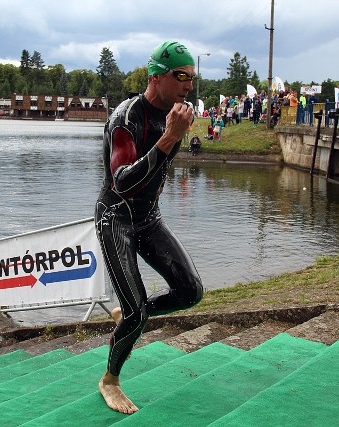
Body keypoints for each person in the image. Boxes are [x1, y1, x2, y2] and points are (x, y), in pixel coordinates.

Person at [94, 40, 203, 415]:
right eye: (182, 76)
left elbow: (159, 169)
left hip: (149, 218)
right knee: (137, 311)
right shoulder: (126, 117)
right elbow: (122, 181)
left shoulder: (175, 113)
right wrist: (170, 137)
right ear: (156, 76)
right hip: (117, 219)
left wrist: (176, 135)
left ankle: (130, 315)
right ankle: (110, 380)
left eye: (193, 77)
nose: (189, 85)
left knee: (190, 292)